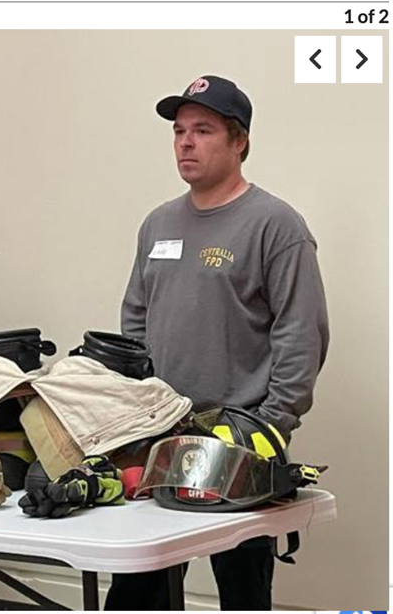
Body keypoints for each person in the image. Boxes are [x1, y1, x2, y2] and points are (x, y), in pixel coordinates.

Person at [106, 75, 329, 611]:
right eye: (179, 131)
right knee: (140, 589)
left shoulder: (275, 225)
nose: (186, 142)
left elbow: (301, 334)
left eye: (203, 130)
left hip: (238, 442)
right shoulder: (158, 223)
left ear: (239, 141)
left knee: (242, 591)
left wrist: (268, 426)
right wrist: (140, 409)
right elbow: (136, 317)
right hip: (161, 439)